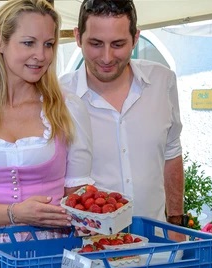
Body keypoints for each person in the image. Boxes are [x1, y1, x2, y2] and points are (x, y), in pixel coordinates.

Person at [0, 0, 93, 229]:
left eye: (49, 44)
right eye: (28, 43)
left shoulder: (68, 109)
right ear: (0, 42)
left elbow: (78, 195)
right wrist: (15, 213)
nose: (41, 55)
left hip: (54, 250)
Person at [60, 0, 185, 226]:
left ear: (135, 38)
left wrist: (176, 221)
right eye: (96, 44)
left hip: (156, 246)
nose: (107, 57)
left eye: (118, 44)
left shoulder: (162, 81)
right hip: (89, 248)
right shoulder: (58, 96)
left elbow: (172, 152)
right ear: (78, 37)